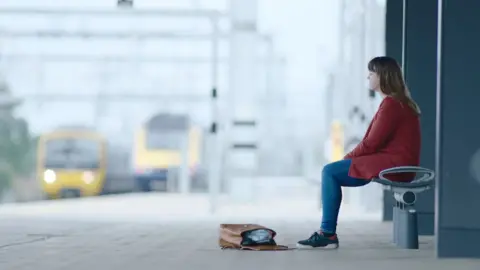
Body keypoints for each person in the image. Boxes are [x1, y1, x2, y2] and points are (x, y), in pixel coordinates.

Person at [296, 56, 421, 249]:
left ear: (382, 77)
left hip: (394, 164)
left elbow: (371, 143)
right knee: (332, 171)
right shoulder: (398, 103)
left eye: (371, 74)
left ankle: (327, 234)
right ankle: (327, 233)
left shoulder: (391, 105)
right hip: (397, 162)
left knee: (330, 172)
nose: (368, 77)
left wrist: (347, 159)